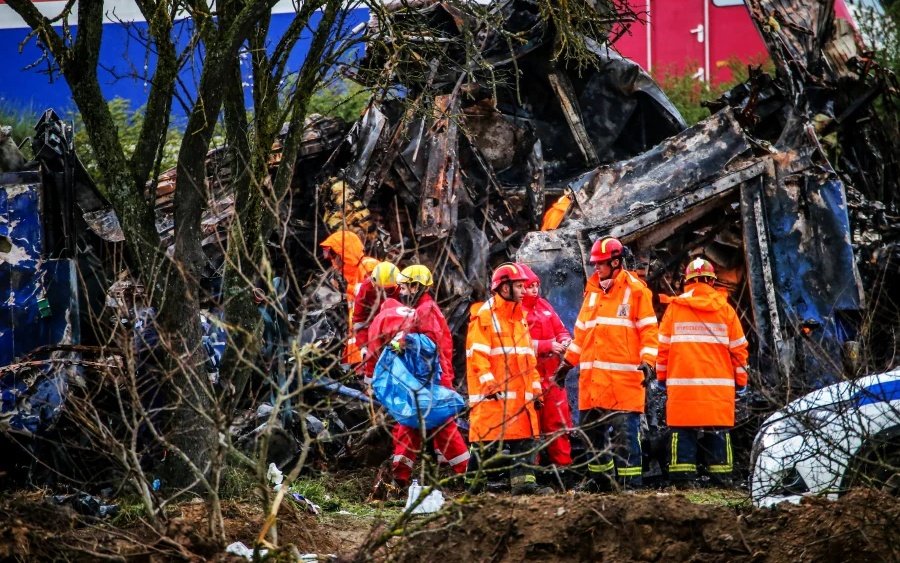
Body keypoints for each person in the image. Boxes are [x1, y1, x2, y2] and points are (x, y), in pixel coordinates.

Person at [558, 237, 658, 491]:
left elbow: (649, 331)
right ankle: (599, 481)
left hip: (622, 385)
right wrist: (568, 362)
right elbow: (582, 335)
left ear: (616, 262)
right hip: (592, 385)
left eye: (601, 264)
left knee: (626, 439)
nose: (596, 269)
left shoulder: (636, 291)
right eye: (595, 264)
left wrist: (648, 362)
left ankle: (630, 485)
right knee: (592, 438)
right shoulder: (591, 293)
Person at [369, 265, 469, 486]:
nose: (402, 292)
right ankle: (400, 476)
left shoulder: (427, 311)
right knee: (410, 424)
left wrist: (403, 343)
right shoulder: (423, 310)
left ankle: (464, 473)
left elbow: (430, 346)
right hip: (424, 379)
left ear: (416, 287)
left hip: (432, 379)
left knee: (442, 427)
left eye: (405, 287)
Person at [656, 258, 749, 486]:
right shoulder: (726, 311)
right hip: (718, 390)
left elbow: (662, 350)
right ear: (712, 281)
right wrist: (741, 381)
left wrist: (661, 379)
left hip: (682, 388)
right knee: (717, 431)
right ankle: (721, 478)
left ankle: (683, 479)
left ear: (687, 282)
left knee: (683, 430)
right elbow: (739, 351)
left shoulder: (674, 309)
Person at [466, 263, 544, 494]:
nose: (523, 290)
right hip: (495, 397)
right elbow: (476, 355)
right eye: (519, 286)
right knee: (486, 443)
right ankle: (474, 488)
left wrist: (536, 389)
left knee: (524, 441)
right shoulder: (486, 317)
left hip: (520, 397)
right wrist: (489, 384)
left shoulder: (519, 318)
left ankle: (525, 486)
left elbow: (529, 358)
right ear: (504, 288)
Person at [517, 263, 573, 468]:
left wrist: (565, 340)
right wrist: (547, 345)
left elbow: (561, 329)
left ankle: (563, 466)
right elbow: (516, 345)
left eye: (536, 286)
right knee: (532, 427)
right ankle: (534, 470)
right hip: (529, 379)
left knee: (558, 423)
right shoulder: (515, 311)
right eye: (529, 286)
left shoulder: (544, 306)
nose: (533, 290)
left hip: (552, 377)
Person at [319, 229, 368, 365]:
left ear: (344, 254)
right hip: (359, 355)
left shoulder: (369, 267)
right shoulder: (351, 277)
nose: (332, 262)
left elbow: (374, 302)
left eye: (333, 256)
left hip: (368, 352)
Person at [355, 261, 401, 381]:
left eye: (388, 290)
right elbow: (359, 320)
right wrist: (363, 346)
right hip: (373, 329)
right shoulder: (366, 289)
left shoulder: (403, 291)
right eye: (380, 289)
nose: (384, 294)